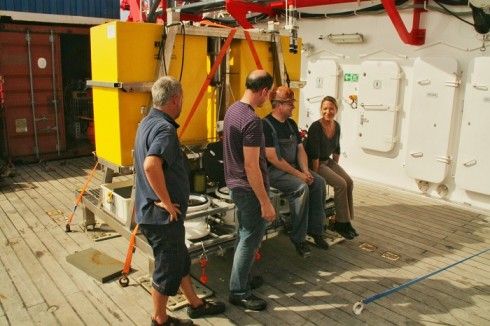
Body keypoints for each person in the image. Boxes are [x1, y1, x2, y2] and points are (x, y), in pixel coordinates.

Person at [134, 76, 225, 326]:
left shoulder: (146, 122)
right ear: (175, 99)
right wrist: (164, 200)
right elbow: (151, 165)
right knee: (167, 269)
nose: (182, 102)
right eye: (182, 98)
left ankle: (195, 304)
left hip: (152, 214)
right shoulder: (165, 129)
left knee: (179, 259)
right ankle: (160, 320)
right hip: (162, 218)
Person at [223, 70, 276, 311]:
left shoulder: (233, 110)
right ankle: (239, 292)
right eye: (269, 94)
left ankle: (240, 279)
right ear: (263, 91)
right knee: (249, 237)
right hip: (248, 189)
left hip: (235, 184)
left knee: (243, 234)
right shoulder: (252, 120)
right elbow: (251, 165)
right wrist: (265, 202)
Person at [262, 86, 329, 257]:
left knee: (319, 182)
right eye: (290, 103)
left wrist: (306, 171)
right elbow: (273, 158)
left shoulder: (291, 124)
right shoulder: (265, 125)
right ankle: (298, 238)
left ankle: (316, 230)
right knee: (301, 188)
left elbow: (300, 150)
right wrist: (300, 175)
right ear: (278, 105)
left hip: (294, 168)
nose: (293, 106)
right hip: (274, 172)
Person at [305, 96, 358, 240]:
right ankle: (340, 223)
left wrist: (336, 168)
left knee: (348, 181)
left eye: (331, 108)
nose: (328, 111)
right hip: (315, 163)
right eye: (325, 108)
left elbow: (337, 149)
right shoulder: (316, 127)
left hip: (327, 161)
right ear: (321, 110)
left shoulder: (337, 126)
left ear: (336, 110)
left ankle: (347, 221)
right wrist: (316, 176)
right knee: (340, 184)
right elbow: (314, 154)